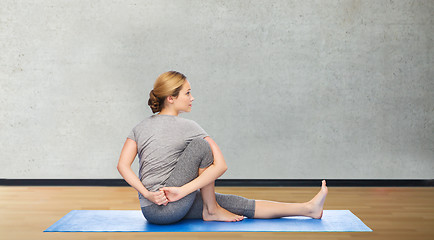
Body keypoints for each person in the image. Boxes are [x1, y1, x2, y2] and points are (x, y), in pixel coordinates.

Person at [117, 71, 328, 225]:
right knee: (202, 146)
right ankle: (211, 209)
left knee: (234, 204)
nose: (192, 98)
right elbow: (221, 165)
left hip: (151, 211)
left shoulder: (140, 126)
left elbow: (122, 166)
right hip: (171, 206)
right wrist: (181, 191)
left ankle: (309, 209)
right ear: (171, 98)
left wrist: (149, 194)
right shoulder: (190, 127)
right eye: (187, 93)